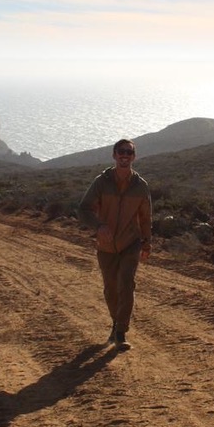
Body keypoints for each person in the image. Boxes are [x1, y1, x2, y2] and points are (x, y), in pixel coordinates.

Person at [78, 139, 152, 350]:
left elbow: (145, 218)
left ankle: (121, 331)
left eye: (129, 152)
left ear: (133, 157)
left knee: (126, 284)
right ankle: (115, 322)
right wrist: (98, 226)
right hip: (106, 245)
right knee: (111, 289)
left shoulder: (140, 186)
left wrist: (146, 243)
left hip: (131, 243)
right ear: (114, 155)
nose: (125, 155)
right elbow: (83, 209)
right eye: (121, 152)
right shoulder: (101, 182)